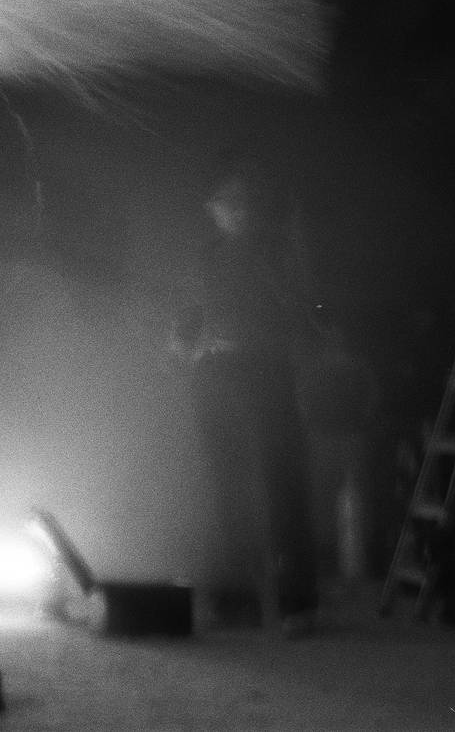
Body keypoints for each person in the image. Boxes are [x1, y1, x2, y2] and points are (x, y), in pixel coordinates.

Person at [172, 153, 319, 636]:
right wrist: (184, 342)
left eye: (244, 200)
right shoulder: (204, 256)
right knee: (226, 488)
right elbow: (190, 312)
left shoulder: (276, 251)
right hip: (215, 374)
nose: (236, 209)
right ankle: (236, 600)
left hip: (266, 371)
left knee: (282, 483)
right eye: (226, 200)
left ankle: (297, 602)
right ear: (211, 208)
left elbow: (302, 303)